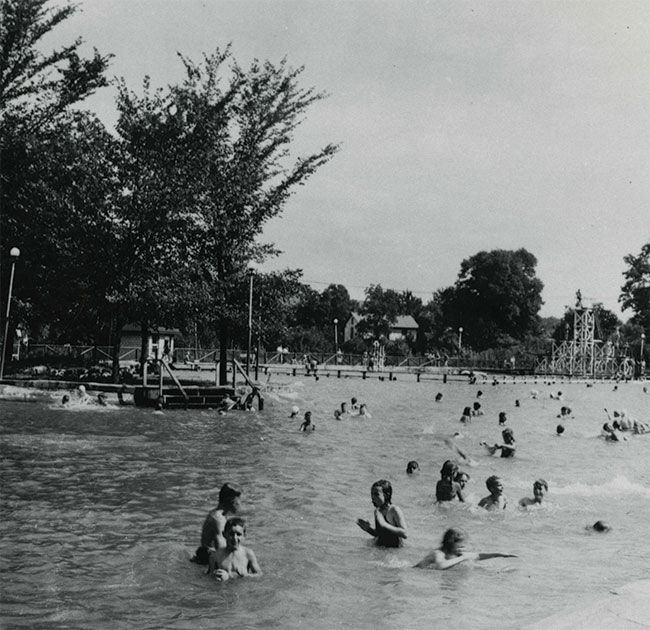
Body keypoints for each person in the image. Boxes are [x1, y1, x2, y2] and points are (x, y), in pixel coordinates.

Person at [414, 528, 517, 570]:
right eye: (460, 544)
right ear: (451, 542)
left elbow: (479, 555)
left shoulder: (456, 554)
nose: (463, 547)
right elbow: (440, 565)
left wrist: (499, 554)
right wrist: (462, 558)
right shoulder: (438, 553)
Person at [191, 483, 241, 565]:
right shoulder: (219, 520)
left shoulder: (216, 514)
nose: (240, 504)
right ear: (232, 501)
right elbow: (221, 550)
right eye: (239, 500)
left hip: (204, 559)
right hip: (207, 564)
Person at [356, 479, 407, 547]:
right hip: (380, 550)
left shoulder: (394, 510)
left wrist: (385, 524)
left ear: (386, 495)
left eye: (376, 494)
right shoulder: (377, 511)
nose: (373, 497)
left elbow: (404, 533)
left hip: (393, 552)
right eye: (372, 494)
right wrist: (368, 529)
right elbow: (380, 535)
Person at [209, 517, 261, 581]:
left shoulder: (248, 554)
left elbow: (259, 575)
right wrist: (215, 577)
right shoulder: (215, 556)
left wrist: (245, 575)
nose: (235, 538)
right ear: (224, 534)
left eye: (238, 534)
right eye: (231, 534)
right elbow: (208, 578)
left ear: (244, 535)